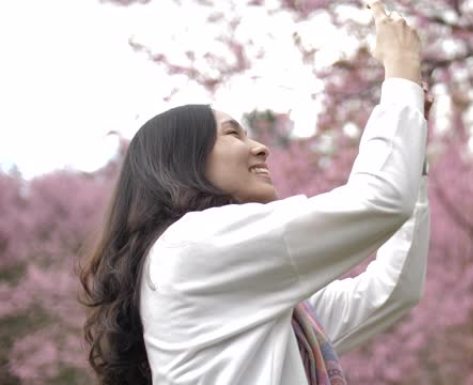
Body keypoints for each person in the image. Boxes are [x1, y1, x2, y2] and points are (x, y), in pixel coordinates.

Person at [79, 1, 430, 384]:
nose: (261, 147)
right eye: (233, 133)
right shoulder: (192, 245)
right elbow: (379, 200)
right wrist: (400, 71)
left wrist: (414, 154)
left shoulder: (253, 293)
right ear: (182, 161)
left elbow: (392, 291)